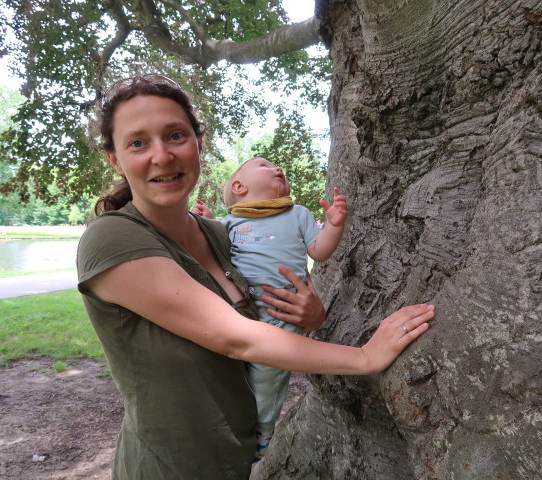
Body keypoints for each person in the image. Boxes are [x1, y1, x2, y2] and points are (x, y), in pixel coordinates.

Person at [76, 74, 435, 480]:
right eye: (138, 142)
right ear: (115, 159)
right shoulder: (112, 238)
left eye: (175, 135)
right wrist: (366, 358)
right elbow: (233, 336)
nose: (162, 155)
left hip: (236, 457)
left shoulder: (221, 234)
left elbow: (272, 304)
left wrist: (311, 315)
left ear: (197, 144)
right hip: (169, 467)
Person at [193, 158, 347, 460]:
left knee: (268, 375)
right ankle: (231, 427)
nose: (279, 169)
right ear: (239, 186)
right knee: (233, 370)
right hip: (240, 309)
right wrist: (209, 218)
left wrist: (334, 225)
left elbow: (320, 251)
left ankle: (262, 432)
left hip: (283, 312)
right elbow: (215, 246)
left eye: (281, 168)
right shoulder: (230, 221)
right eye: (266, 165)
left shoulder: (297, 213)